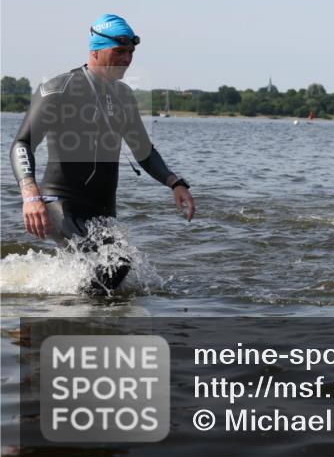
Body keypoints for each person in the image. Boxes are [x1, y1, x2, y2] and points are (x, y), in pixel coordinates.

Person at [9, 14, 195, 293]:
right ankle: (79, 323)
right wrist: (30, 195)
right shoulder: (58, 90)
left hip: (102, 210)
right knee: (115, 264)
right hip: (61, 204)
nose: (126, 58)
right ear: (95, 49)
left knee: (115, 273)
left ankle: (67, 313)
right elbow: (22, 143)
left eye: (130, 52)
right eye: (118, 51)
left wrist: (175, 183)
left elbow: (144, 151)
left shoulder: (124, 96)